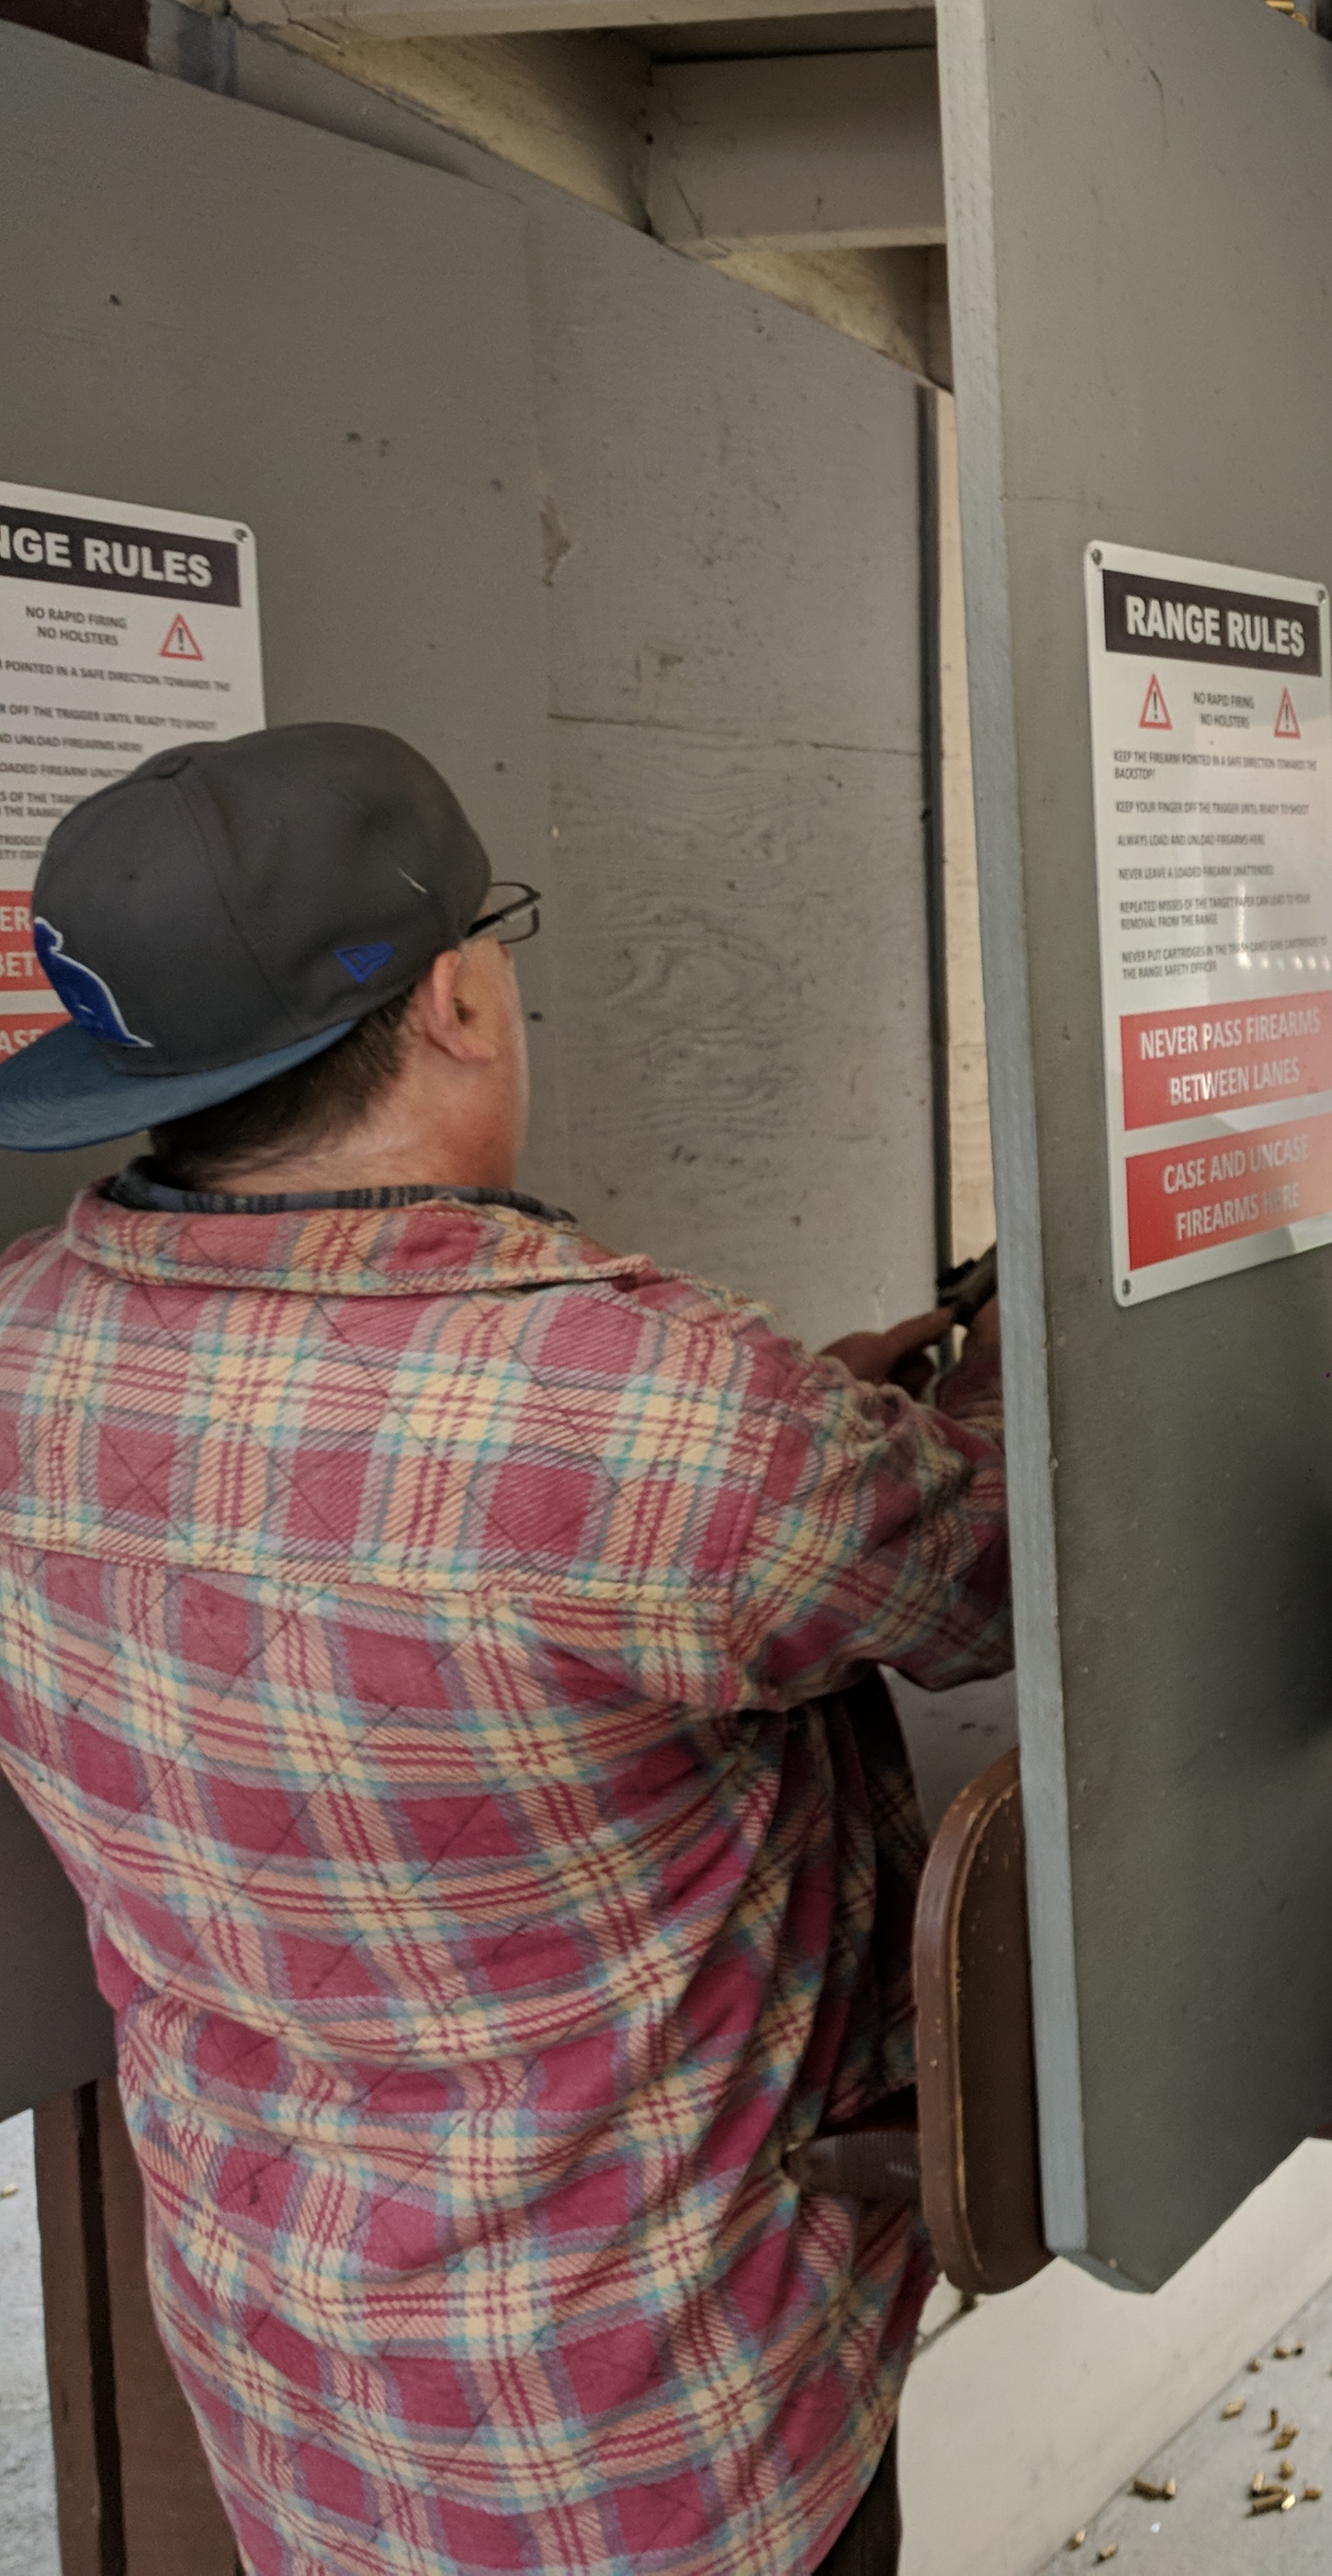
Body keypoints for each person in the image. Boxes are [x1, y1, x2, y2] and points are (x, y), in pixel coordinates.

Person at [0, 723, 1003, 2576]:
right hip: (661, 2416)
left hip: (293, 2371)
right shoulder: (645, 1410)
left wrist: (785, 1427)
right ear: (458, 998)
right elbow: (987, 1581)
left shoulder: (21, 1351)